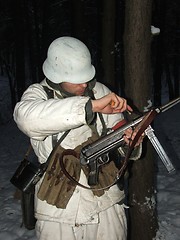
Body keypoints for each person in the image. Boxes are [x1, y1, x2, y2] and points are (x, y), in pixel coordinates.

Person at [13, 36, 143, 240]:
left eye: (86, 76)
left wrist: (128, 139)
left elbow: (117, 132)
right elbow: (26, 119)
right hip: (59, 210)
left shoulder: (99, 90)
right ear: (57, 75)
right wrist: (90, 107)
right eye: (76, 78)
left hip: (105, 202)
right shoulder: (37, 94)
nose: (84, 83)